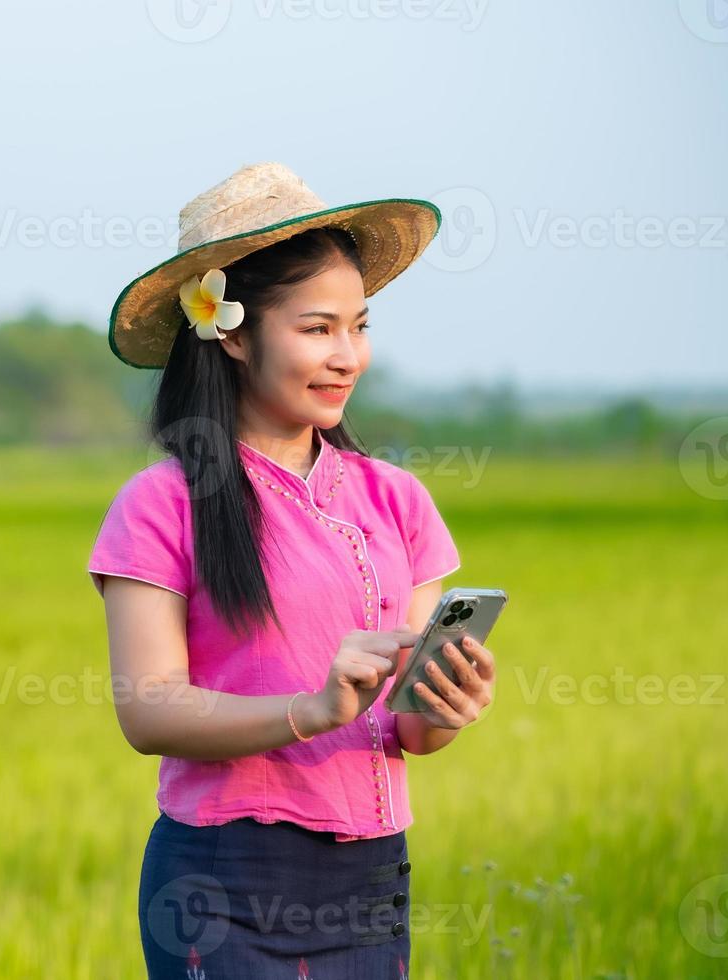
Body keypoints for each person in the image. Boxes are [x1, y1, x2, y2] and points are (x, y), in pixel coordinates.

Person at [87, 162, 498, 978]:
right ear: (232, 334)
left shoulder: (398, 501)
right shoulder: (160, 504)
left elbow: (411, 733)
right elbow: (148, 713)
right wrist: (310, 709)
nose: (347, 356)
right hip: (224, 882)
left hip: (371, 877)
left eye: (359, 326)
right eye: (316, 329)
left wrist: (449, 703)